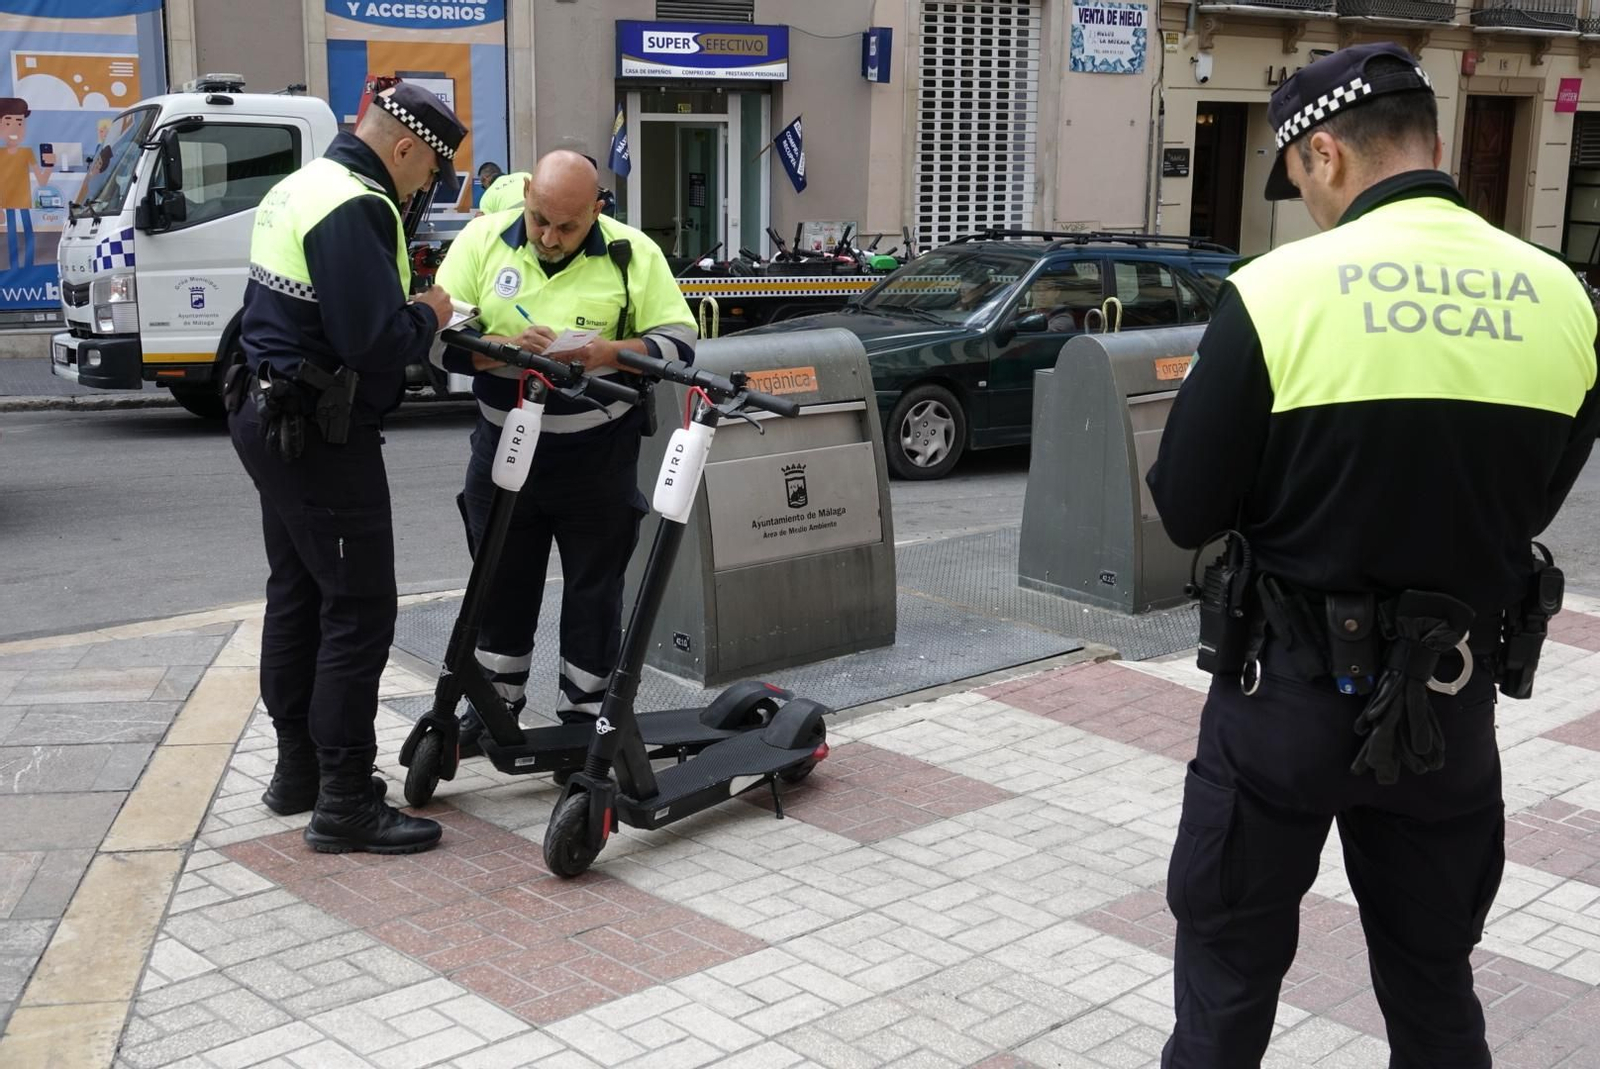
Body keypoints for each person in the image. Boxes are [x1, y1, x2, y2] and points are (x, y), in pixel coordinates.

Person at [1146, 43, 1600, 1068]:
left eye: (1296, 177)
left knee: (1225, 984)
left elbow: (1185, 507)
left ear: (1324, 158)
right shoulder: (1561, 296)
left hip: (1282, 704)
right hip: (1449, 700)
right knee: (1434, 986)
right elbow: (1531, 496)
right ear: (1432, 143)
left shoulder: (1276, 293)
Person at [229, 84, 466, 855]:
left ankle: (296, 771)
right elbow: (373, 342)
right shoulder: (357, 203)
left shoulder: (300, 185)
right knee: (358, 610)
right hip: (322, 434)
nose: (425, 187)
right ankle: (343, 802)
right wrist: (433, 307)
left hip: (272, 418)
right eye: (428, 170)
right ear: (404, 148)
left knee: (297, 592)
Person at [433, 149, 696, 754]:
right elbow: (436, 343)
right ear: (526, 197)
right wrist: (501, 348)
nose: (549, 237)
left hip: (596, 454)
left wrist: (608, 354)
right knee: (499, 581)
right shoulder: (481, 242)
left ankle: (584, 716)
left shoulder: (633, 254)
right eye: (539, 220)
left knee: (593, 589)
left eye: (567, 226)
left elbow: (681, 345)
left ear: (597, 210)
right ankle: (495, 704)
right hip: (503, 447)